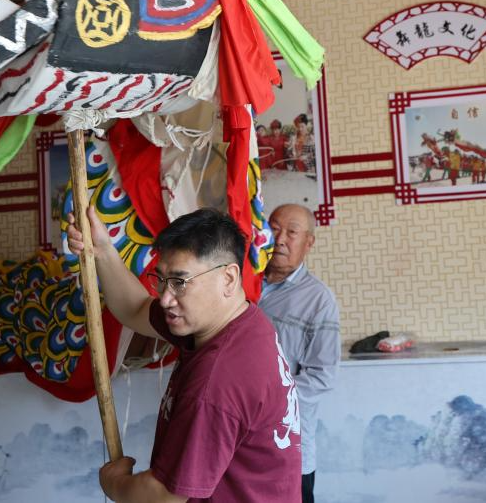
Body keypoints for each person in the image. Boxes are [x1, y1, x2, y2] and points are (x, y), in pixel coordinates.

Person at [67, 207, 301, 503]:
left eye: (180, 282)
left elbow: (166, 496)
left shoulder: (218, 379)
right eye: (161, 279)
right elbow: (135, 308)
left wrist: (115, 484)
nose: (165, 298)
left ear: (228, 278)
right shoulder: (233, 322)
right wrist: (102, 250)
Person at [259, 204, 340, 503]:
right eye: (274, 229)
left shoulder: (319, 299)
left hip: (287, 444)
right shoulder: (238, 283)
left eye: (291, 232)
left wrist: (262, 400)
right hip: (235, 440)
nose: (280, 239)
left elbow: (322, 376)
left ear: (309, 242)